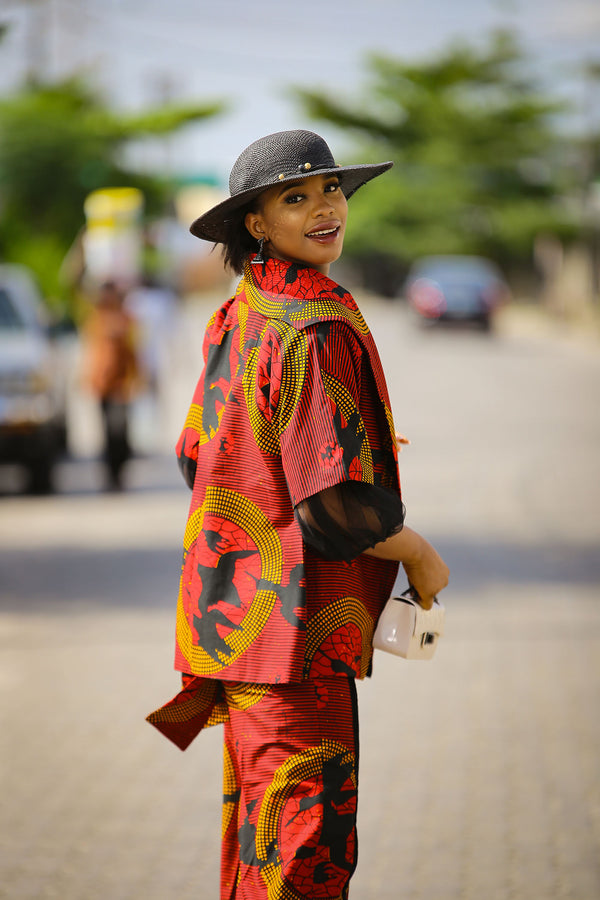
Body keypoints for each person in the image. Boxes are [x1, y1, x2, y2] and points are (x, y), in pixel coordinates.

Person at [147, 130, 448, 899]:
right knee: (306, 858)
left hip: (241, 639)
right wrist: (418, 554)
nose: (324, 209)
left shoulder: (240, 312)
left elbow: (197, 451)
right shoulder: (314, 323)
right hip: (296, 645)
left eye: (331, 190)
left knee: (260, 847)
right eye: (295, 197)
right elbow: (338, 512)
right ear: (256, 222)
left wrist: (331, 442)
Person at [81, 280, 139, 489]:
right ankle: (110, 476)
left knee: (120, 430)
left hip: (120, 385)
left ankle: (120, 470)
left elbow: (134, 351)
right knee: (106, 431)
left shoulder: (126, 319)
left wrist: (135, 378)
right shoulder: (95, 319)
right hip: (101, 385)